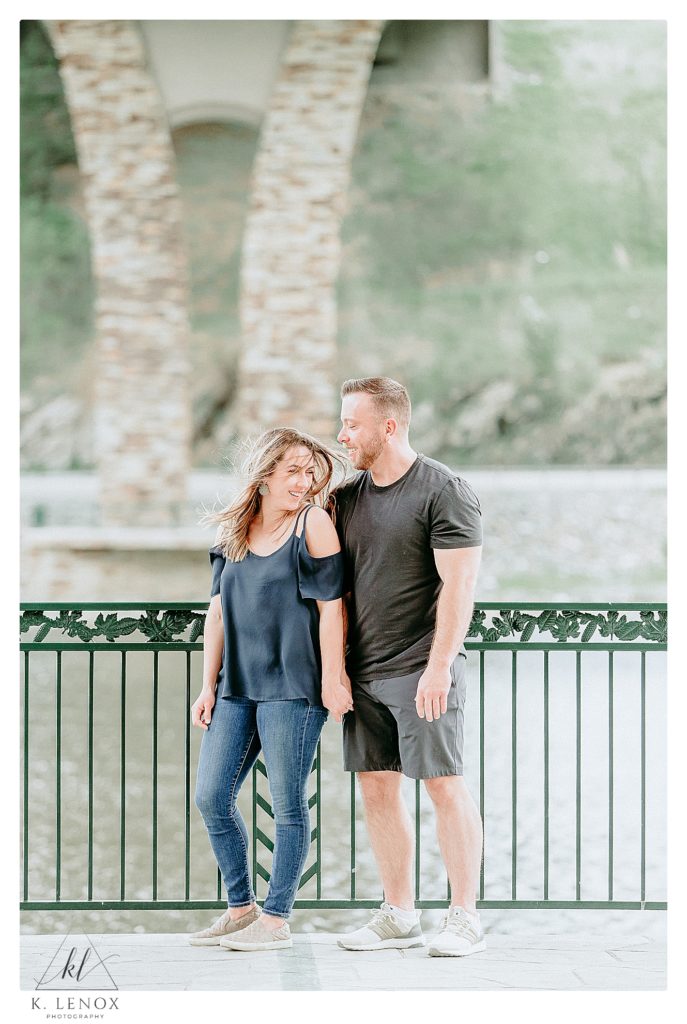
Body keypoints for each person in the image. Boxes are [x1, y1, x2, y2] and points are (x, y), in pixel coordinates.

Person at [333, 377, 485, 957]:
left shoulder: (444, 490)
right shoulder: (346, 498)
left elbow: (460, 584)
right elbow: (338, 594)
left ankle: (465, 916)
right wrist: (337, 670)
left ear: (388, 426)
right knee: (377, 788)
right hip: (363, 673)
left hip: (423, 670)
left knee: (444, 786)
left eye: (352, 423)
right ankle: (399, 914)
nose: (342, 434)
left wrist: (439, 666)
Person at [189, 428, 353, 952]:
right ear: (263, 476)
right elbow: (216, 612)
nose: (303, 482)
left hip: (293, 687)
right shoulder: (234, 530)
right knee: (211, 796)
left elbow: (333, 609)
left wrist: (333, 678)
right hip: (236, 687)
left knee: (287, 806)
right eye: (292, 472)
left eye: (309, 472)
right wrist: (207, 685)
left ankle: (277, 919)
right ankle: (242, 908)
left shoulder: (314, 524)